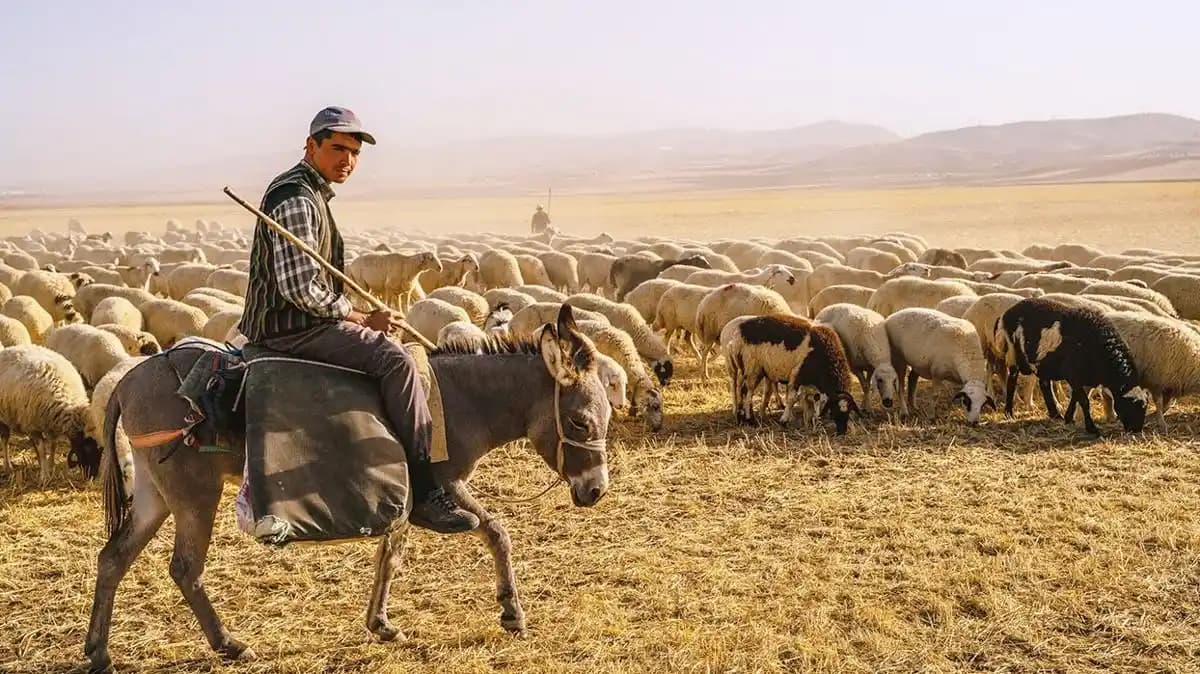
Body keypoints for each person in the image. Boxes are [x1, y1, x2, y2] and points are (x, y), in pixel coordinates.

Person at [237, 106, 479, 534]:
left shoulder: (311, 193)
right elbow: (300, 290)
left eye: (354, 153)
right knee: (395, 360)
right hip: (289, 327)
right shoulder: (296, 198)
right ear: (310, 146)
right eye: (337, 149)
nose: (347, 160)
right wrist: (360, 317)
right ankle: (426, 491)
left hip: (297, 320)